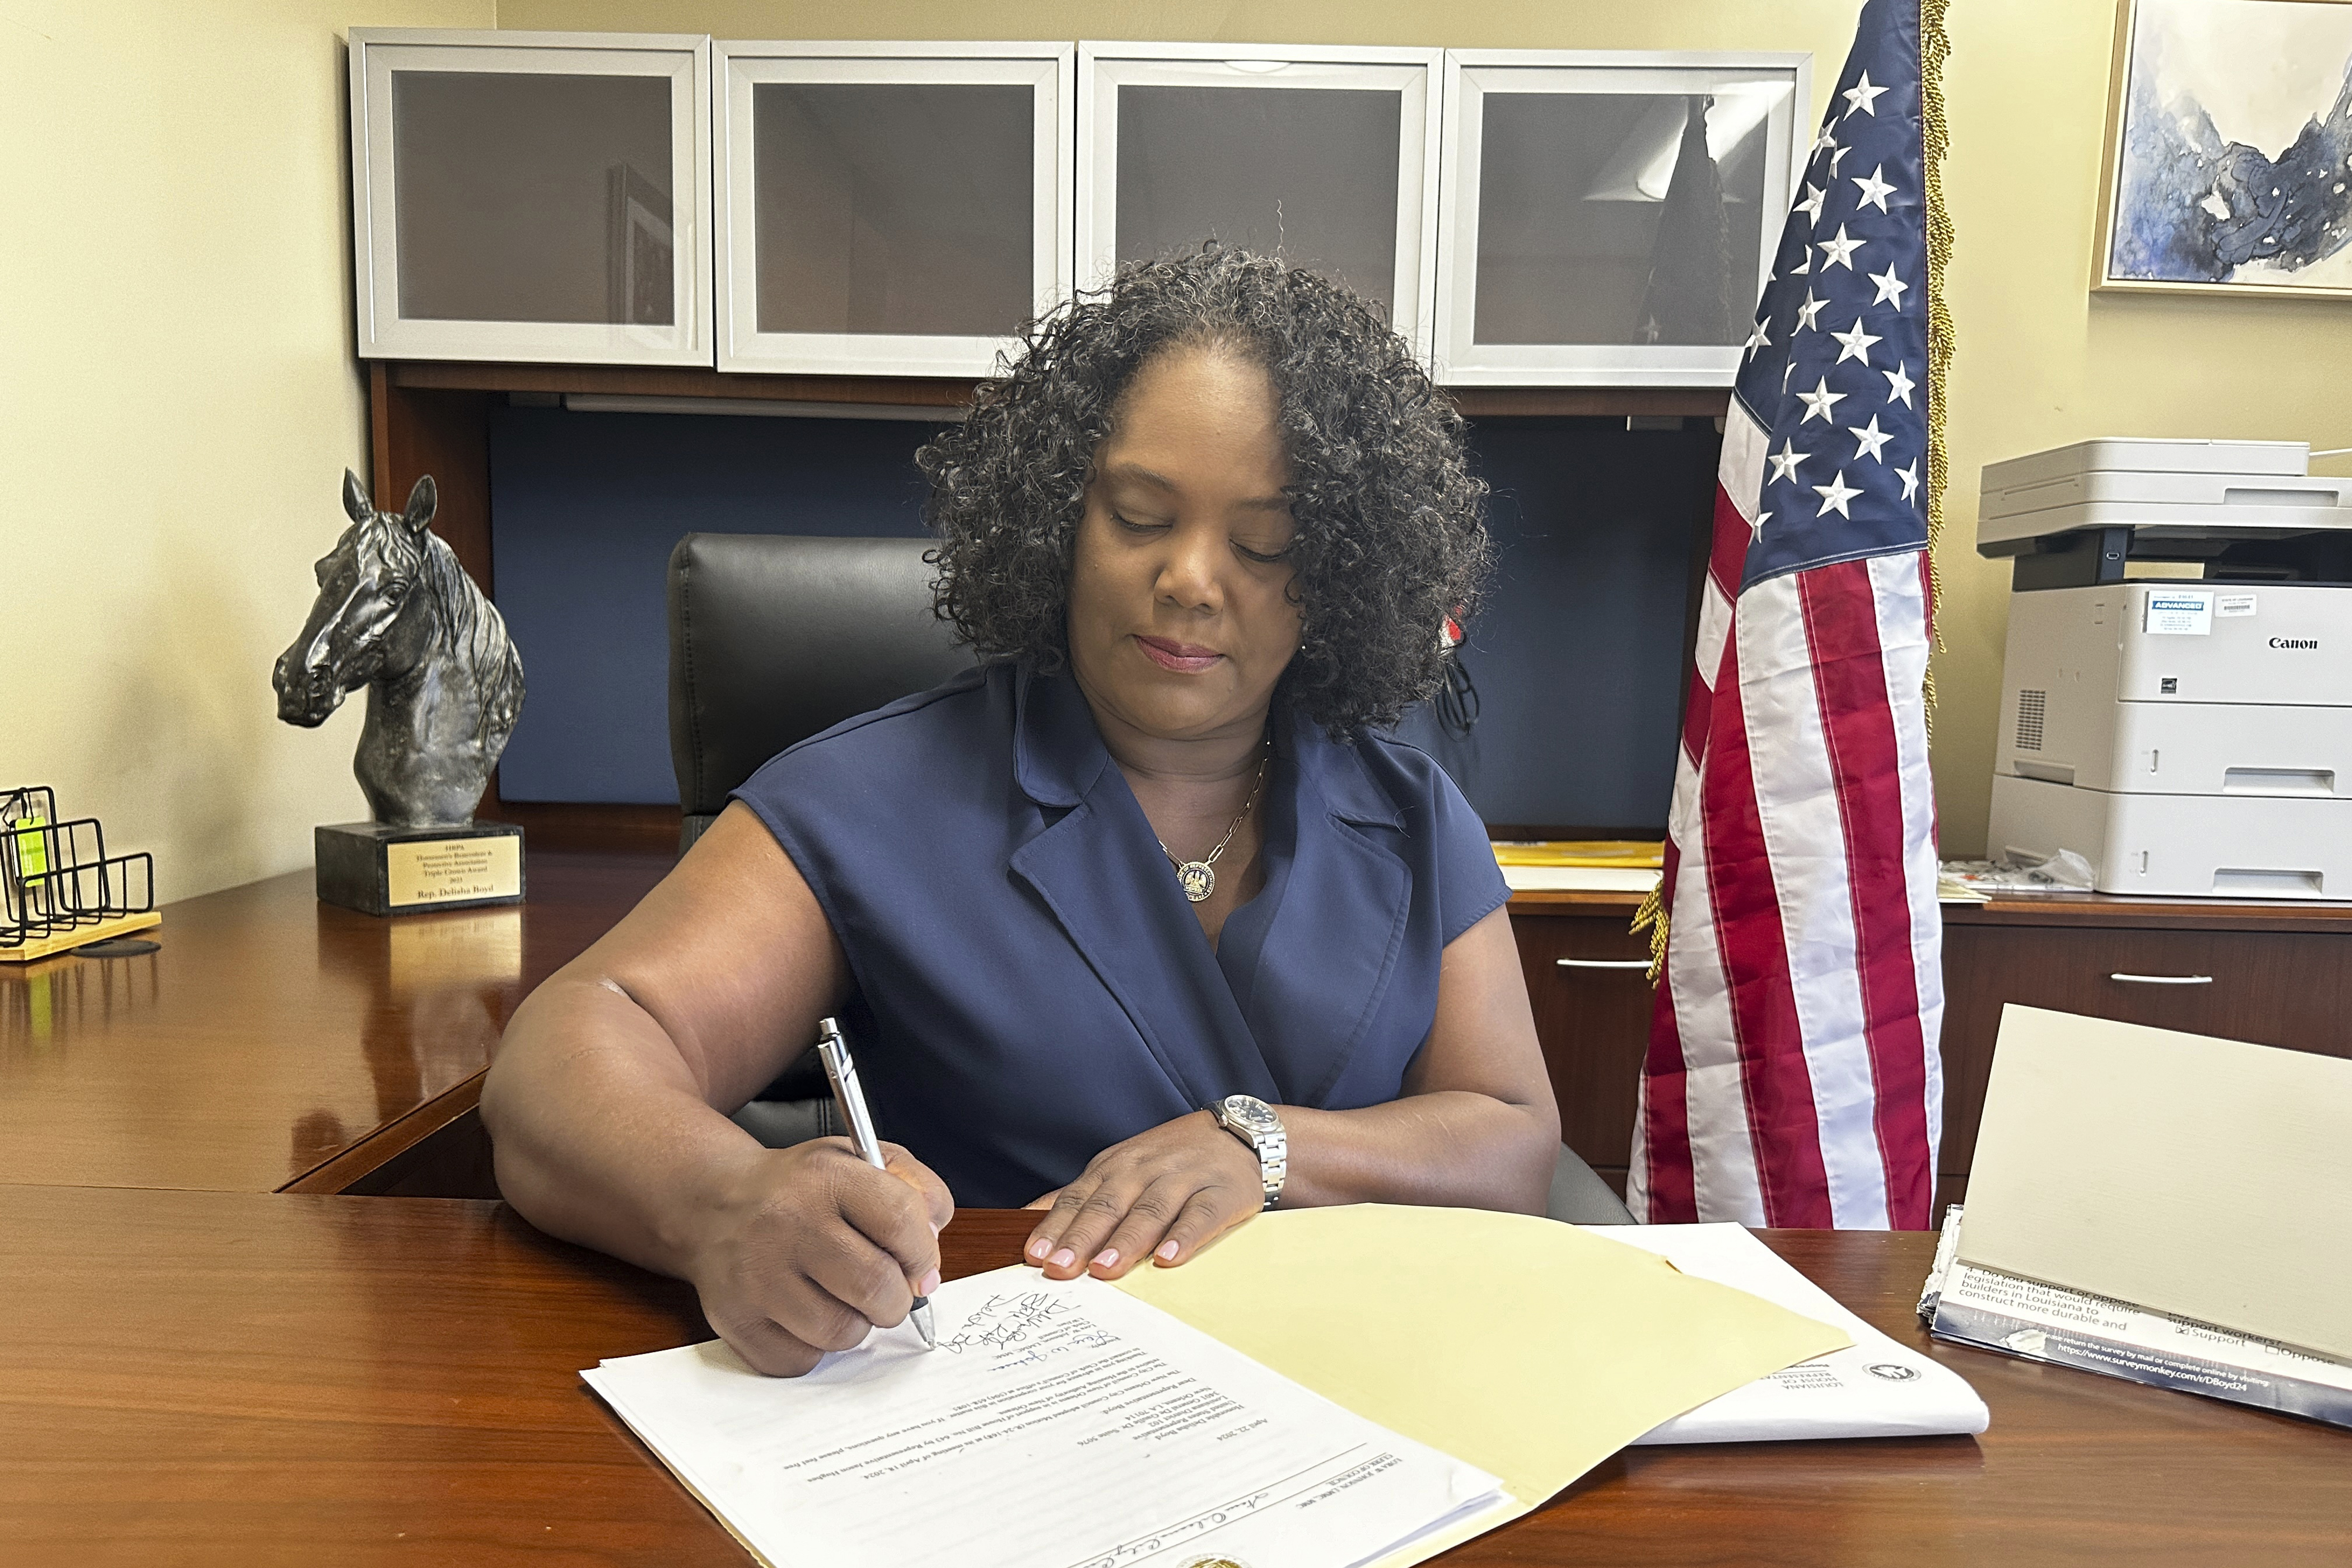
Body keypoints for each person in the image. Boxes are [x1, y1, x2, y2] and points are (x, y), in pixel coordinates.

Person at [481, 247, 1561, 1377]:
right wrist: (720, 1200)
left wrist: (1267, 1146)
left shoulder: (1412, 816)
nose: (1193, 579)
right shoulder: (875, 796)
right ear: (1060, 521)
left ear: (1338, 572)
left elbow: (1512, 1141)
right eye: (1140, 516)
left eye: (1264, 544)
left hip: (1367, 1404)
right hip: (1014, 1417)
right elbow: (567, 1054)